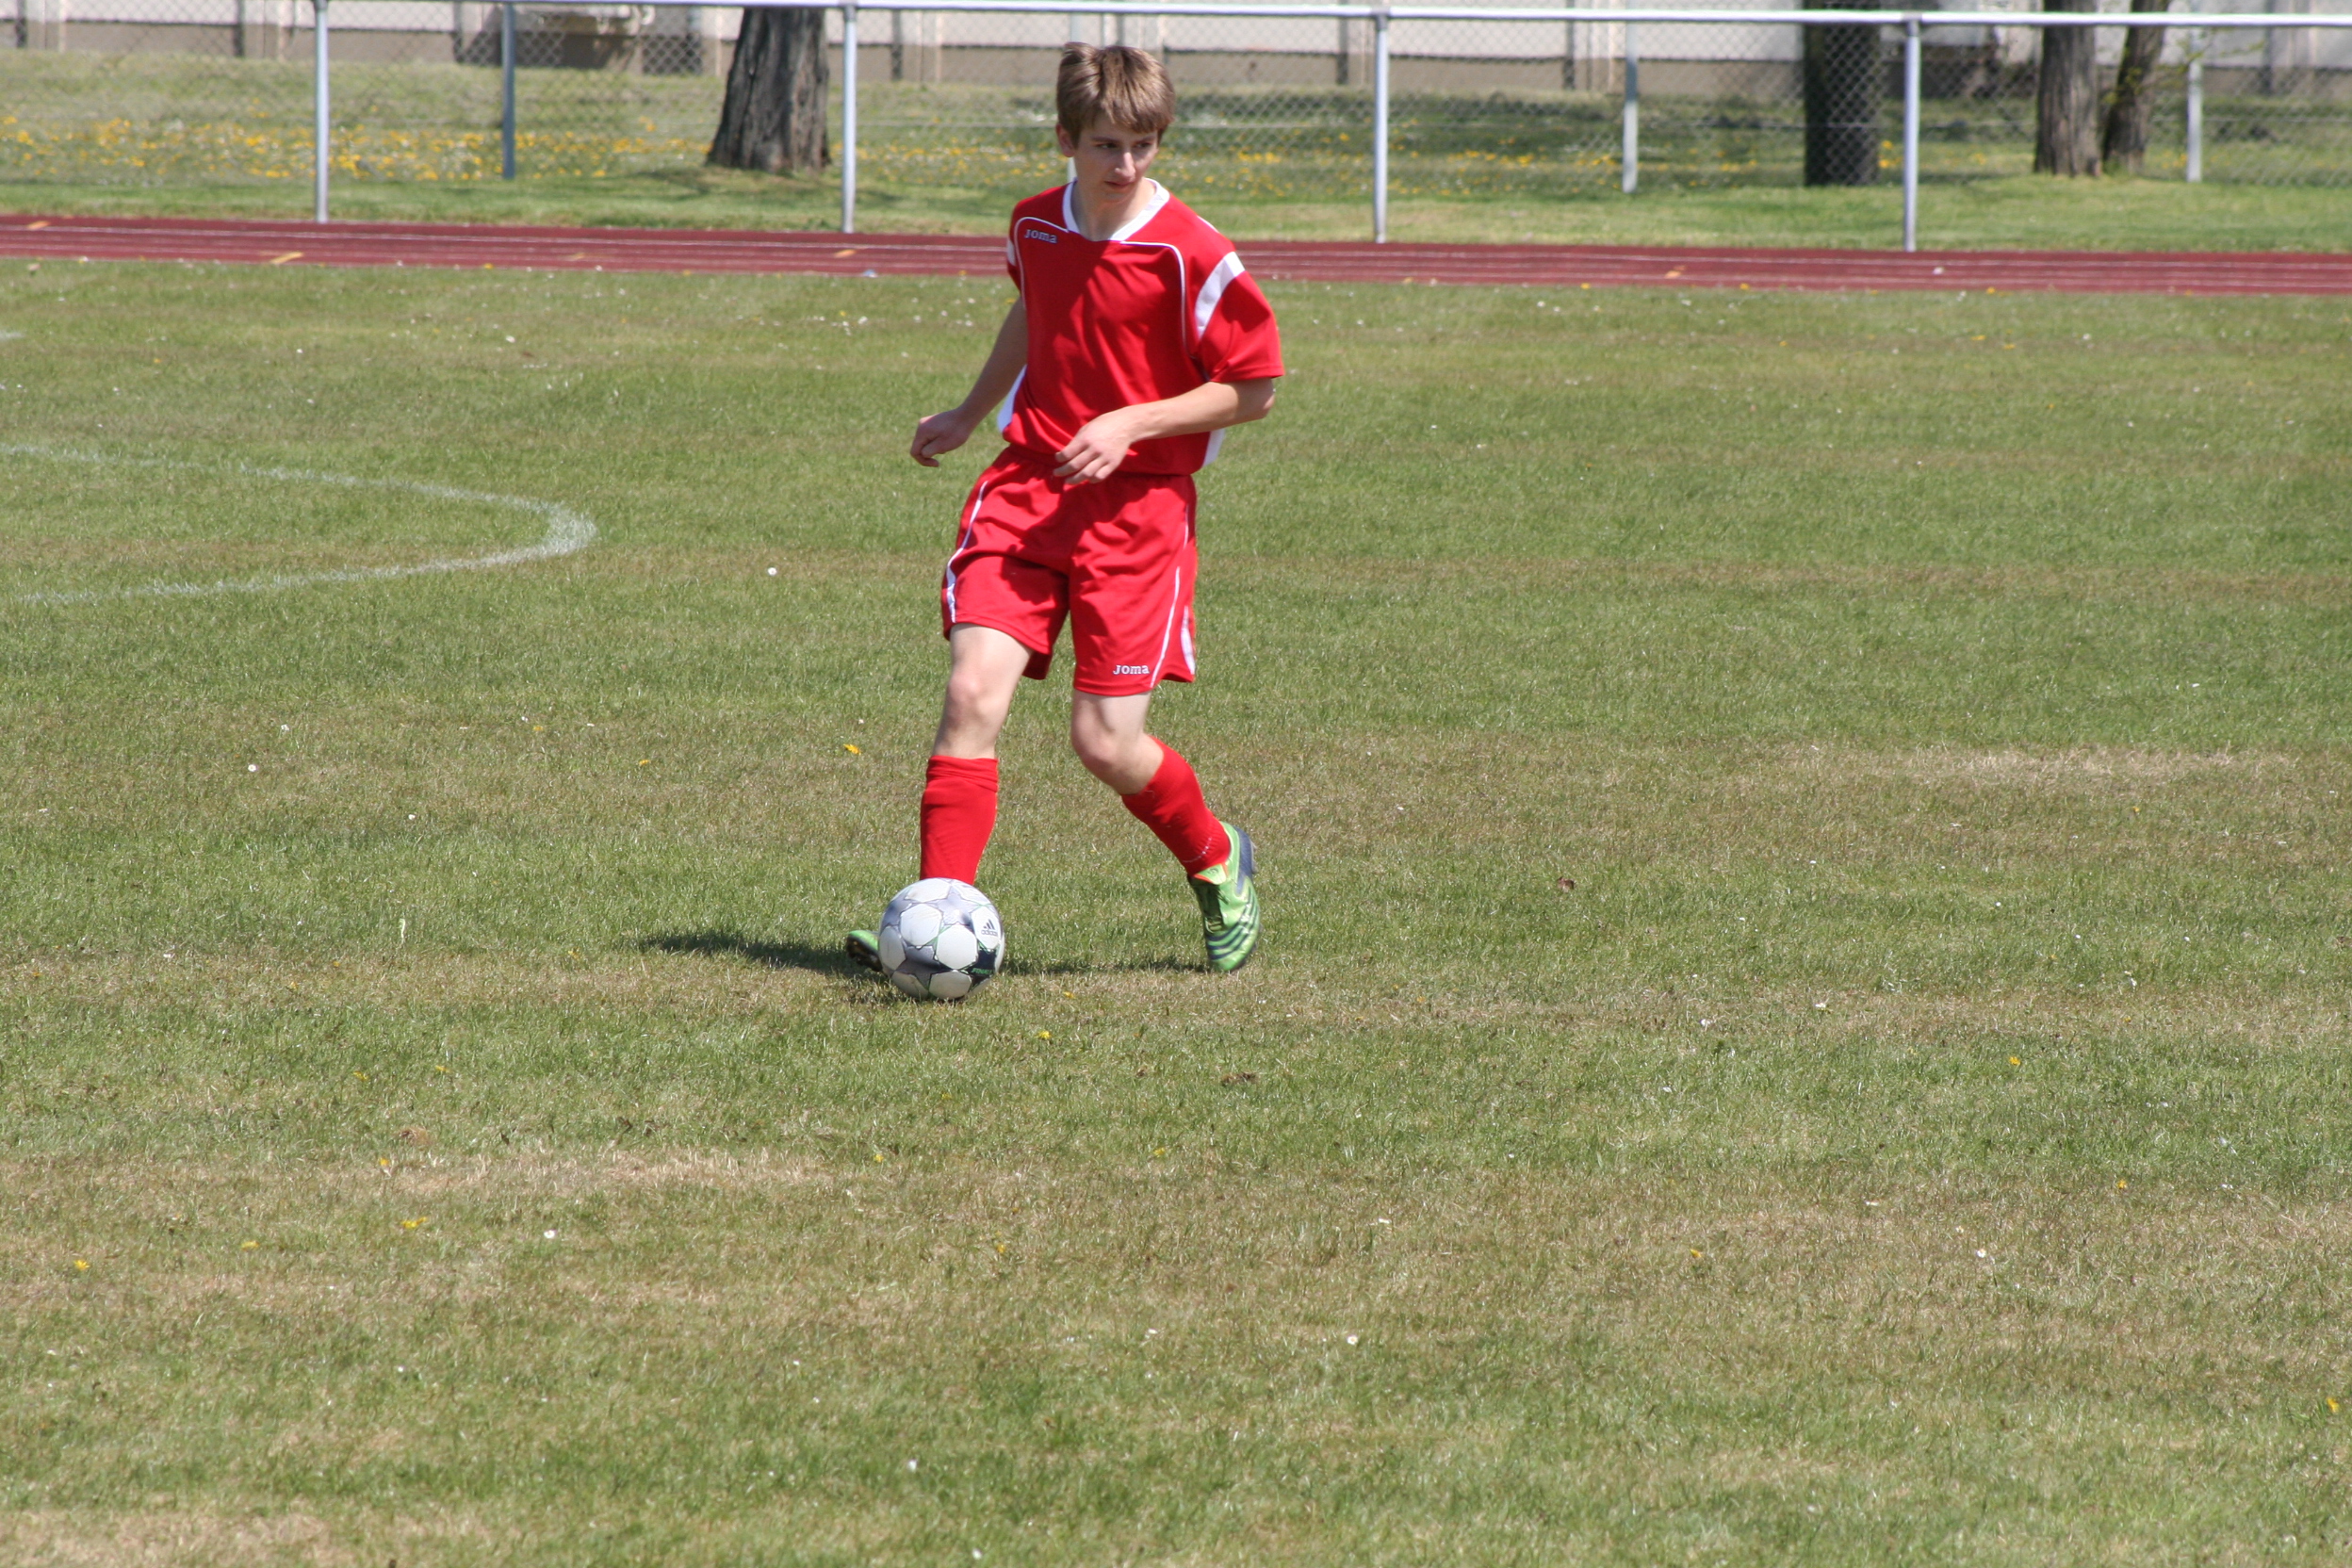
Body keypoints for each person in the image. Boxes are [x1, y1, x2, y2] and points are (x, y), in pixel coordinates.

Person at [848, 41, 1284, 976]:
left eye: (1142, 145)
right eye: (1105, 145)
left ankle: (1218, 857)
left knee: (1104, 742)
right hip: (1030, 487)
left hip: (1138, 513)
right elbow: (1033, 311)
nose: (1124, 164)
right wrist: (971, 411)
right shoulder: (1036, 225)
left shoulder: (1193, 252)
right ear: (1064, 139)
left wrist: (1131, 423)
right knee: (970, 695)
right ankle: (935, 921)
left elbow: (1255, 389)